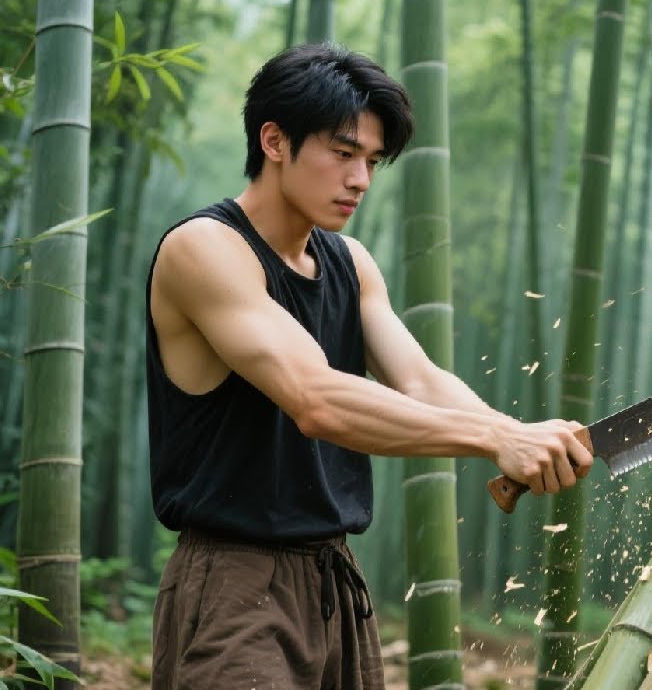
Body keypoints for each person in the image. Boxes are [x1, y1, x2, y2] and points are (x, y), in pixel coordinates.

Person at [145, 42, 592, 689]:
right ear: (274, 140)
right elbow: (316, 398)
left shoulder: (349, 263)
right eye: (343, 152)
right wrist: (499, 439)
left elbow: (421, 379)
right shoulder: (205, 249)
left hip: (335, 585)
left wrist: (517, 433)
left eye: (373, 161)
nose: (361, 179)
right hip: (235, 589)